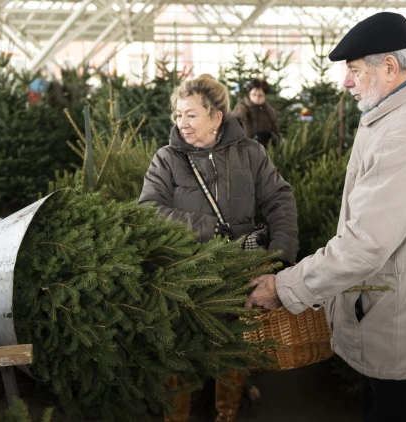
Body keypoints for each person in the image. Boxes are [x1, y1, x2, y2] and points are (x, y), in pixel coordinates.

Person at [245, 12, 406, 422]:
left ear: (390, 67)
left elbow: (365, 244)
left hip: (399, 322)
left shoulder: (404, 135)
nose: (347, 82)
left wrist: (286, 287)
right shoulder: (395, 112)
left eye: (354, 70)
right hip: (392, 310)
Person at [139, 73, 298, 422]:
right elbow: (148, 211)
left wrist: (282, 255)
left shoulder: (250, 153)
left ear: (216, 116)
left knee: (232, 345)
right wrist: (205, 227)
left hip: (235, 273)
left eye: (191, 114)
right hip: (182, 275)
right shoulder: (166, 159)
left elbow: (280, 199)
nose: (182, 122)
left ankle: (226, 414)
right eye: (178, 114)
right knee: (176, 347)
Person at [231, 79, 281, 148]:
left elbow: (277, 136)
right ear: (249, 94)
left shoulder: (269, 111)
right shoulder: (240, 110)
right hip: (243, 151)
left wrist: (270, 136)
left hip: (264, 152)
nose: (256, 98)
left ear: (265, 96)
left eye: (260, 95)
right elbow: (229, 133)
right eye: (254, 94)